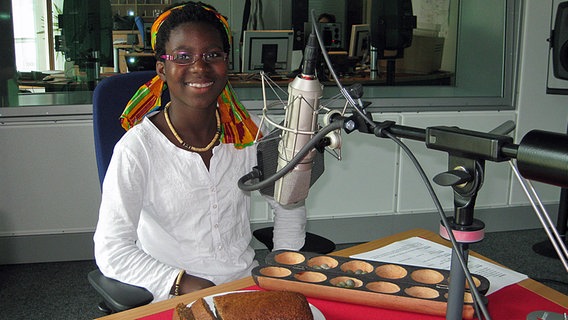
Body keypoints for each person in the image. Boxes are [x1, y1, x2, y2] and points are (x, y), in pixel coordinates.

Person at [93, 1, 307, 303]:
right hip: (172, 294)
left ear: (226, 62)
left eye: (212, 55)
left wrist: (284, 264)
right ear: (162, 69)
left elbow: (289, 202)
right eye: (183, 56)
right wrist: (182, 283)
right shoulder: (137, 149)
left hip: (245, 286)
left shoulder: (249, 134)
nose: (199, 66)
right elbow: (111, 248)